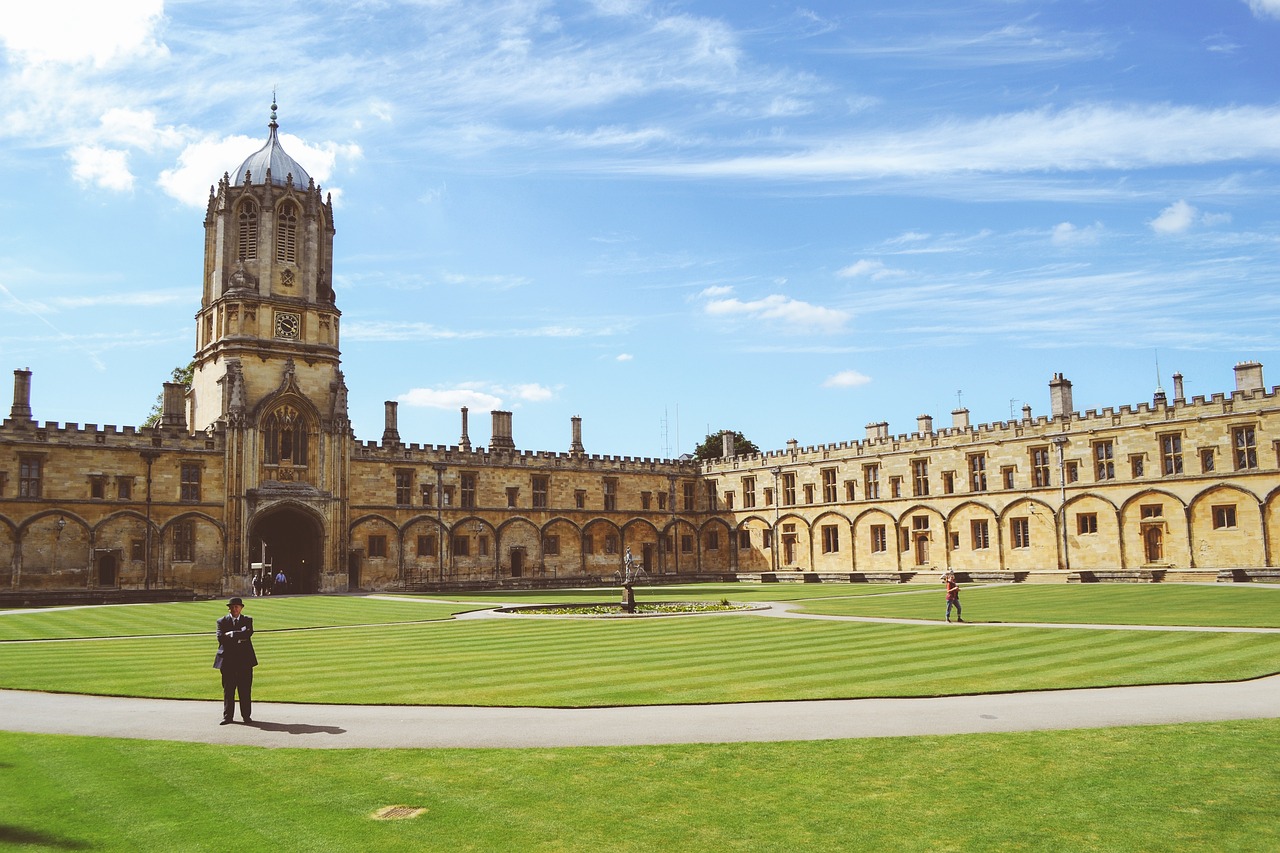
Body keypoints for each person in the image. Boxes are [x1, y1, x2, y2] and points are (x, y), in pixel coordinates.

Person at [214, 597, 258, 724]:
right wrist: (240, 636)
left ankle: (246, 716)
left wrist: (232, 634)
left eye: (237, 607)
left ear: (241, 608)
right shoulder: (221, 621)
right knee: (228, 689)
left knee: (245, 689)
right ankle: (228, 717)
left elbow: (248, 634)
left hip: (244, 660)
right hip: (228, 661)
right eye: (232, 607)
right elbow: (221, 638)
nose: (234, 609)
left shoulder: (247, 620)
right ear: (229, 608)